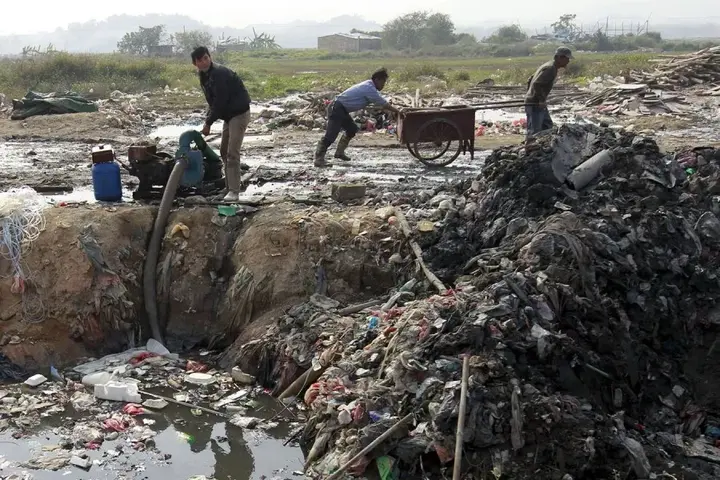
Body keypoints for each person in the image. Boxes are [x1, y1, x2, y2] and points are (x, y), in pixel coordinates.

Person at [191, 46, 252, 201]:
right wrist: (207, 118)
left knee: (232, 152)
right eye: (200, 60)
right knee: (224, 151)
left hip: (239, 113)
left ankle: (234, 191)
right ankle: (228, 187)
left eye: (206, 58)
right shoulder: (204, 75)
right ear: (195, 63)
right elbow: (212, 101)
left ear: (209, 57)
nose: (204, 62)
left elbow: (220, 101)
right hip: (229, 115)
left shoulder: (219, 73)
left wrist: (208, 123)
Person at [314, 68, 403, 168]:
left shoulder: (370, 87)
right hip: (337, 108)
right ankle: (319, 159)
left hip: (341, 109)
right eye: (383, 82)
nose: (383, 85)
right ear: (377, 80)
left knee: (352, 129)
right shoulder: (368, 88)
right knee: (331, 135)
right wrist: (397, 111)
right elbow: (383, 103)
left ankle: (339, 152)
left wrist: (392, 110)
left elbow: (381, 103)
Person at [524, 47, 573, 142]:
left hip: (536, 101)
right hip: (535, 103)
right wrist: (540, 99)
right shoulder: (550, 69)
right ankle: (530, 151)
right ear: (560, 58)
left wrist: (530, 95)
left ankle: (544, 146)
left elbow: (530, 79)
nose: (568, 61)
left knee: (547, 126)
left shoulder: (549, 66)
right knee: (535, 131)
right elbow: (537, 84)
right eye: (567, 59)